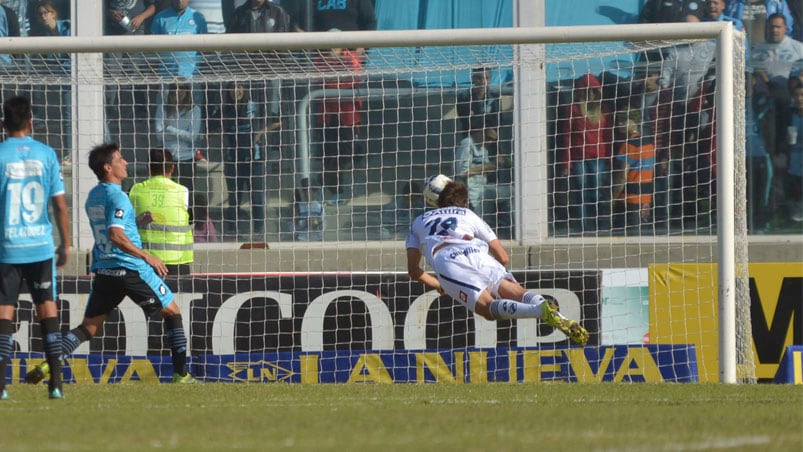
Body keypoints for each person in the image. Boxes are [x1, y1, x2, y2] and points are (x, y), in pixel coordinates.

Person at [25, 142, 196, 386]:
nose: (125, 162)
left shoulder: (94, 196)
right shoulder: (119, 197)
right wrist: (147, 256)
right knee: (173, 312)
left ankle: (49, 363)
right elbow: (116, 235)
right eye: (119, 159)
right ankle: (181, 374)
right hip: (130, 268)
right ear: (108, 167)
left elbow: (112, 229)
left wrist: (137, 222)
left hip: (104, 270)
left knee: (88, 328)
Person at [405, 177, 588, 346]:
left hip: (449, 259)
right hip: (478, 252)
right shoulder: (468, 214)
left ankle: (540, 312)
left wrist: (438, 283)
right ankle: (556, 315)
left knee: (487, 309)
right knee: (517, 291)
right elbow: (503, 257)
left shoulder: (418, 222)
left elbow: (413, 270)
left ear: (432, 201)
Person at [0, 96, 70, 400]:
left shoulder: (0, 154)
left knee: (4, 312)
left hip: (7, 247)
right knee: (47, 310)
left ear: (3, 124)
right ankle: (55, 384)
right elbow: (59, 204)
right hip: (40, 246)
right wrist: (65, 243)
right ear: (31, 122)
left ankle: (1, 386)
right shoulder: (46, 154)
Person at [556, 72, 613, 234]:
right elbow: (566, 138)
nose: (590, 94)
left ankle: (597, 224)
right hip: (579, 158)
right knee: (581, 192)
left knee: (597, 191)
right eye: (586, 90)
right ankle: (583, 226)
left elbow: (608, 135)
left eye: (593, 90)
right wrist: (566, 163)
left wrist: (609, 158)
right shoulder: (573, 109)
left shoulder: (603, 109)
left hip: (599, 157)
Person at [220, 80, 274, 241]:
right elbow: (213, 127)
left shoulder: (253, 106)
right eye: (232, 87)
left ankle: (258, 231)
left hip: (254, 159)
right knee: (234, 197)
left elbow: (276, 121)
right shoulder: (225, 109)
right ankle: (233, 231)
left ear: (244, 89)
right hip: (233, 159)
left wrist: (259, 134)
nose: (236, 90)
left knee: (256, 197)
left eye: (239, 87)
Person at [129, 148, 194, 279]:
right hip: (177, 260)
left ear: (148, 167)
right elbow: (192, 221)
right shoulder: (183, 192)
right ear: (172, 168)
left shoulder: (135, 191)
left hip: (145, 260)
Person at [314, 40, 365, 206]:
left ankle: (347, 190)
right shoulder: (320, 59)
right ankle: (331, 190)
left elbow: (353, 80)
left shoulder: (351, 59)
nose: (331, 50)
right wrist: (336, 84)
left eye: (334, 46)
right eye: (329, 46)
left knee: (346, 155)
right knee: (327, 155)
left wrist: (334, 84)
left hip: (347, 115)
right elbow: (318, 79)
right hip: (327, 115)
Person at [611, 110, 656, 233]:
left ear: (634, 122)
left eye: (623, 121)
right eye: (618, 121)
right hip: (646, 198)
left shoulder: (628, 145)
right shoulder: (649, 143)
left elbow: (622, 177)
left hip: (629, 199)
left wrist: (613, 198)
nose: (620, 124)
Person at [153, 81, 202, 192]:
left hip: (186, 159)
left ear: (187, 90)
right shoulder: (162, 109)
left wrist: (170, 128)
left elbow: (192, 137)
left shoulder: (195, 110)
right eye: (175, 88)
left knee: (186, 196)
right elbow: (159, 135)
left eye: (182, 88)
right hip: (167, 159)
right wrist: (182, 134)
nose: (178, 91)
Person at [454, 116, 500, 223]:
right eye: (488, 138)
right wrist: (486, 167)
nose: (490, 142)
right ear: (480, 132)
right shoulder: (467, 144)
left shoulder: (483, 148)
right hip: (469, 196)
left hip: (481, 193)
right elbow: (461, 172)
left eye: (493, 140)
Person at [456, 66, 501, 138]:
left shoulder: (494, 97)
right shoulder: (464, 97)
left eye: (486, 78)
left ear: (489, 80)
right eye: (479, 78)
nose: (483, 82)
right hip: (471, 137)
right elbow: (467, 122)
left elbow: (497, 121)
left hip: (490, 137)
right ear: (473, 79)